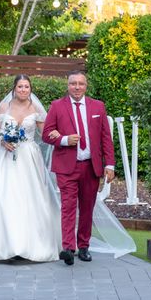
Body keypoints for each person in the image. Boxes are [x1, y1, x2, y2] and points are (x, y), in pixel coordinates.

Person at [0, 74, 62, 262]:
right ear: (14, 88)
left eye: (27, 87)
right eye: (20, 87)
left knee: (31, 199)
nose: (23, 90)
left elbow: (44, 133)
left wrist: (57, 134)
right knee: (3, 197)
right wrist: (2, 140)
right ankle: (7, 245)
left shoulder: (36, 108)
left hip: (29, 157)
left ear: (31, 89)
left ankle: (30, 245)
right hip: (6, 157)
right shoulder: (4, 107)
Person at [42, 71, 116, 265]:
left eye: (80, 84)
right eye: (73, 83)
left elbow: (106, 138)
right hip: (67, 167)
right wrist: (65, 140)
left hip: (91, 167)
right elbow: (46, 134)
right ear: (67, 85)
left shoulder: (98, 106)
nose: (76, 87)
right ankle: (68, 248)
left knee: (87, 208)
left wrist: (109, 165)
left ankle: (84, 246)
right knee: (68, 207)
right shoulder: (57, 106)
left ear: (86, 86)